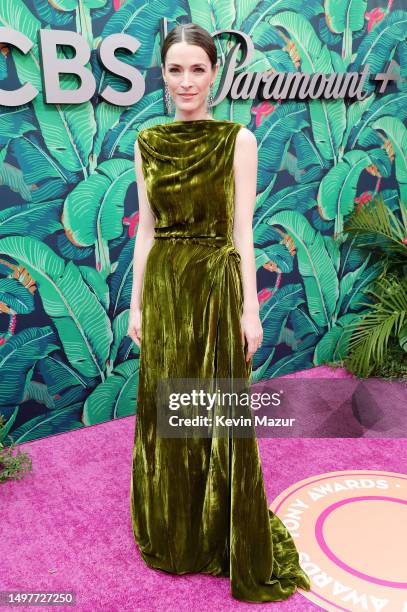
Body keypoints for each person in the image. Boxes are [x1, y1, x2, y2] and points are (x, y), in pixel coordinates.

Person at [128, 22, 311, 603]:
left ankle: (216, 528)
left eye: (197, 69)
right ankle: (174, 529)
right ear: (164, 75)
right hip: (163, 290)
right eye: (176, 69)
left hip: (213, 287)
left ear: (214, 74)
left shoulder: (238, 141)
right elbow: (146, 235)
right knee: (167, 408)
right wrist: (135, 304)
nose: (187, 81)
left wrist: (249, 309)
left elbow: (242, 232)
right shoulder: (147, 144)